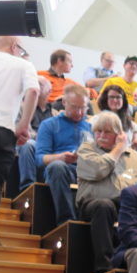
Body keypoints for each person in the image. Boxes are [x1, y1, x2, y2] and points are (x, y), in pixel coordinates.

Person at [0, 36, 38, 248]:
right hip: (1, 129)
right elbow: (33, 90)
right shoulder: (23, 64)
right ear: (14, 47)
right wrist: (23, 125)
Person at [75, 111, 137, 272]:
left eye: (107, 131)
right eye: (98, 131)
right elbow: (97, 170)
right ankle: (104, 265)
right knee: (104, 205)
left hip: (125, 206)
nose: (101, 135)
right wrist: (118, 149)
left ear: (119, 134)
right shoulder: (87, 149)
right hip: (93, 205)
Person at [36, 84, 92, 225]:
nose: (79, 112)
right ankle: (67, 222)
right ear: (64, 103)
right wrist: (60, 157)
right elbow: (39, 158)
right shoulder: (49, 125)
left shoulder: (91, 127)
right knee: (57, 166)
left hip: (85, 170)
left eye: (83, 108)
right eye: (75, 107)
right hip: (60, 170)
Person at [16, 76, 54, 191]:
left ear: (50, 91)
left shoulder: (56, 114)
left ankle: (51, 186)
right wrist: (43, 138)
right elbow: (23, 132)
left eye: (40, 84)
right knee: (27, 144)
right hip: (30, 142)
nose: (36, 86)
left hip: (50, 147)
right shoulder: (21, 107)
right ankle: (28, 187)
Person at [96, 83, 137, 152]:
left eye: (118, 97)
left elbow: (136, 141)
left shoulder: (131, 124)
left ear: (123, 100)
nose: (115, 100)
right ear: (106, 99)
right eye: (111, 97)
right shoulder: (97, 119)